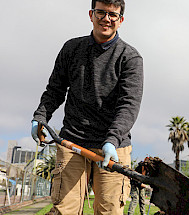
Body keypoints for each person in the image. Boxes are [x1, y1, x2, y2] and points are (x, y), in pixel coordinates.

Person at [30, 0, 144, 214]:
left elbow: (129, 105)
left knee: (110, 210)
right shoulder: (72, 49)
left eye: (112, 14)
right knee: (65, 210)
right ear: (91, 14)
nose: (106, 19)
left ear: (121, 20)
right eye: (101, 12)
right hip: (72, 142)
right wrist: (41, 116)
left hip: (113, 147)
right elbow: (55, 90)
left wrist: (112, 140)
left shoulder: (130, 58)